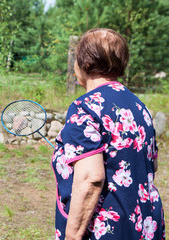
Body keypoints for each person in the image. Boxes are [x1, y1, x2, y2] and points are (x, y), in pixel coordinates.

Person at [51, 28, 165, 239]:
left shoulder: (85, 108)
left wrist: (73, 235)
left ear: (84, 63)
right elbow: (151, 164)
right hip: (144, 225)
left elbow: (91, 179)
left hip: (109, 229)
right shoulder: (139, 107)